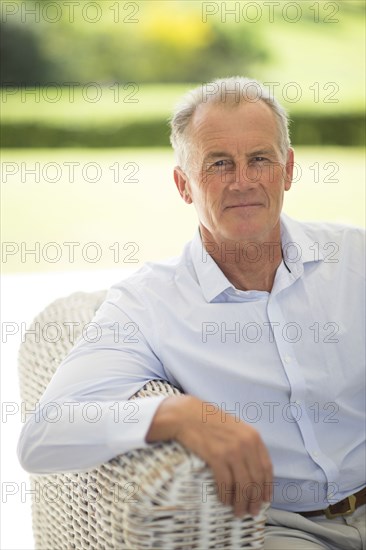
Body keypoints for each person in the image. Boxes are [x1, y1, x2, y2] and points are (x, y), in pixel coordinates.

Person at [18, 77, 365, 549]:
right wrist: (174, 412)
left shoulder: (354, 257)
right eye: (219, 164)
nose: (242, 181)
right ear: (184, 185)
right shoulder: (149, 305)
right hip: (282, 529)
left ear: (287, 170)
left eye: (259, 159)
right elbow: (43, 436)